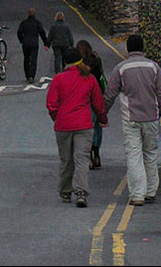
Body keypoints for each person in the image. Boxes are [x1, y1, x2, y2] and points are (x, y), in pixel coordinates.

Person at [104, 33, 161, 206]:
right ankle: (151, 190)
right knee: (150, 153)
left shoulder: (121, 68)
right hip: (151, 117)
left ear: (128, 48)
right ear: (143, 48)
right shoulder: (154, 67)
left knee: (134, 155)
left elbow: (110, 94)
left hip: (131, 118)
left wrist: (103, 115)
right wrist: (158, 111)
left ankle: (137, 194)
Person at [46, 46, 108, 208]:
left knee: (66, 160)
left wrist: (57, 118)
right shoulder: (89, 78)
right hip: (84, 124)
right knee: (81, 159)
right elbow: (98, 102)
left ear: (65, 61)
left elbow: (51, 105)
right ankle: (81, 192)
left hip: (63, 125)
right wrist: (102, 118)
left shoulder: (58, 79)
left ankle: (66, 191)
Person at [76, 39, 105, 169]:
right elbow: (100, 77)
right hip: (96, 96)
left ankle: (89, 158)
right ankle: (97, 155)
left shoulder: (79, 65)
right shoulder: (96, 60)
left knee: (86, 128)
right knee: (97, 127)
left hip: (84, 98)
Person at [17, 8, 48, 83]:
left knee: (26, 59)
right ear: (34, 14)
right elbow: (42, 33)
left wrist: (22, 40)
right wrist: (46, 43)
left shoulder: (24, 23)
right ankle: (31, 76)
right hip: (34, 44)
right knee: (33, 60)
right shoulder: (37, 23)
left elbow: (19, 32)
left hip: (26, 43)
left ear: (28, 14)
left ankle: (27, 75)